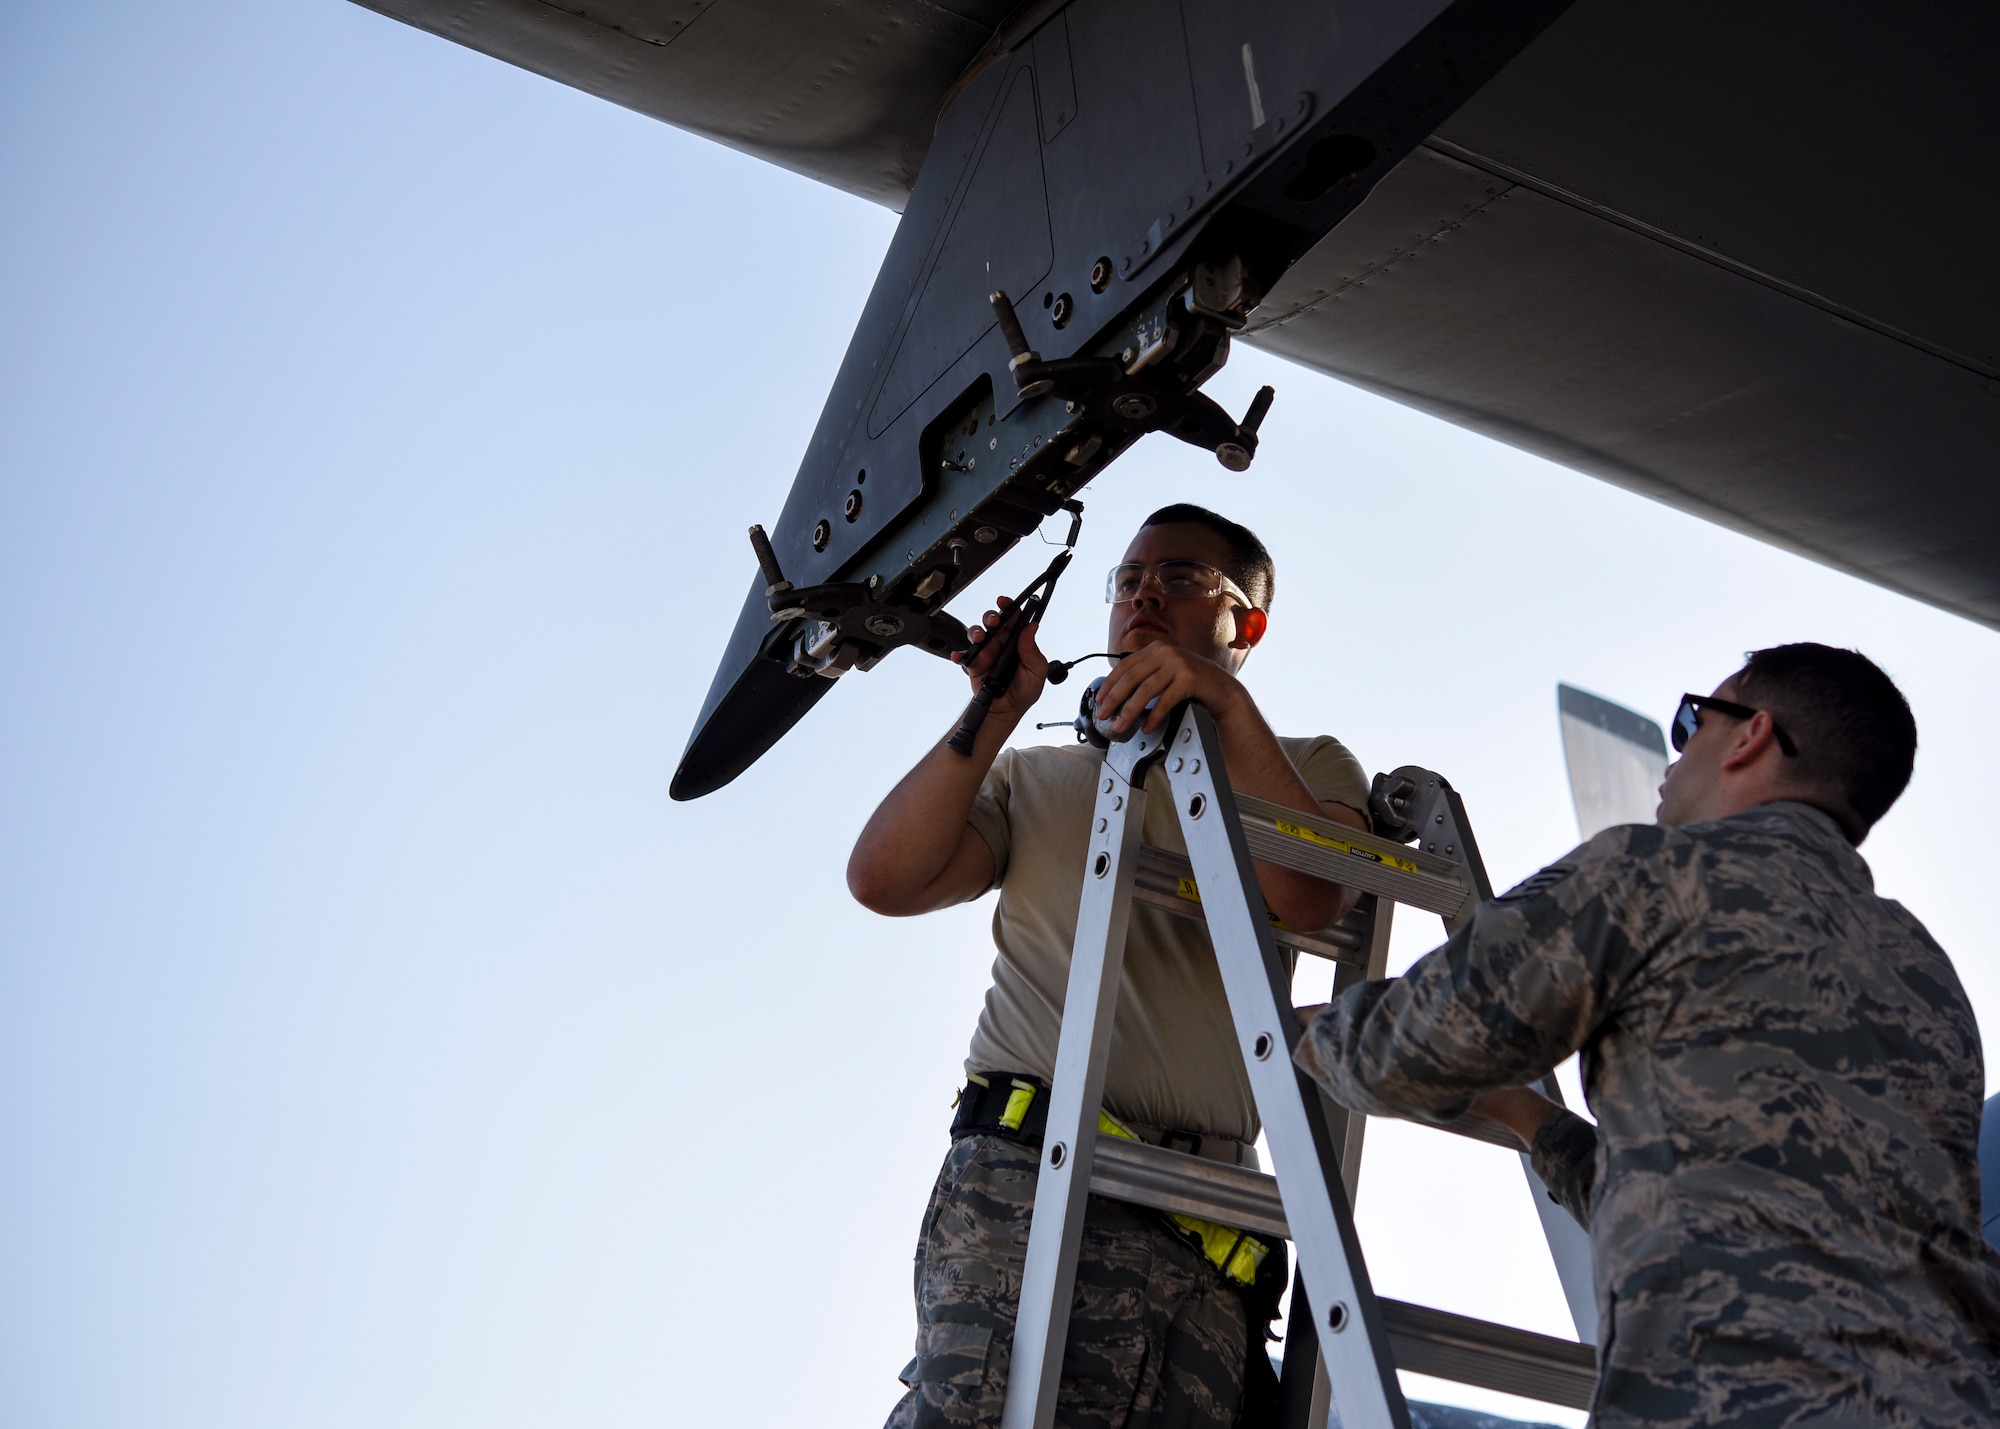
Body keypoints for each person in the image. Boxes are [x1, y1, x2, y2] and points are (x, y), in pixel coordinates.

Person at [1295, 643, 2000, 1427]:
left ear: (1750, 735)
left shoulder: (1651, 873)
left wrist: (1319, 1030)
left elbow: (1407, 1055)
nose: (1677, 750)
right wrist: (1533, 1122)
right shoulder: (1926, 975)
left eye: (1692, 719)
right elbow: (1748, 1210)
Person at [849, 505, 1370, 1429]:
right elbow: (885, 877)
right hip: (1030, 1186)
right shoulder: (1038, 779)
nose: (1142, 597)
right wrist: (991, 711)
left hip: (1204, 1234)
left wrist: (1225, 707)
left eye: (1178, 578)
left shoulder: (1305, 765)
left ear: (1245, 624)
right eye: (1128, 581)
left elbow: (1315, 894)